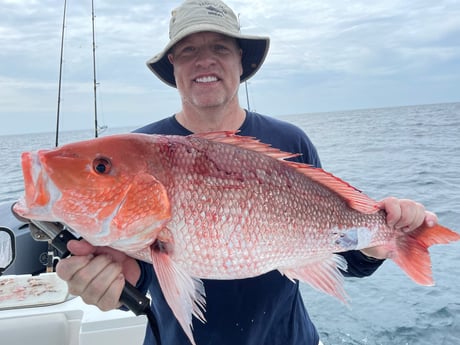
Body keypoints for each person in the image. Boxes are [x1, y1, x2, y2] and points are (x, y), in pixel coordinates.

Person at [56, 1, 438, 344]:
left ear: (241, 61)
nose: (205, 61)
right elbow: (145, 270)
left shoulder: (290, 142)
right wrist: (112, 283)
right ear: (173, 65)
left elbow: (344, 251)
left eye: (219, 48)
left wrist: (379, 242)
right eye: (189, 50)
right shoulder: (138, 151)